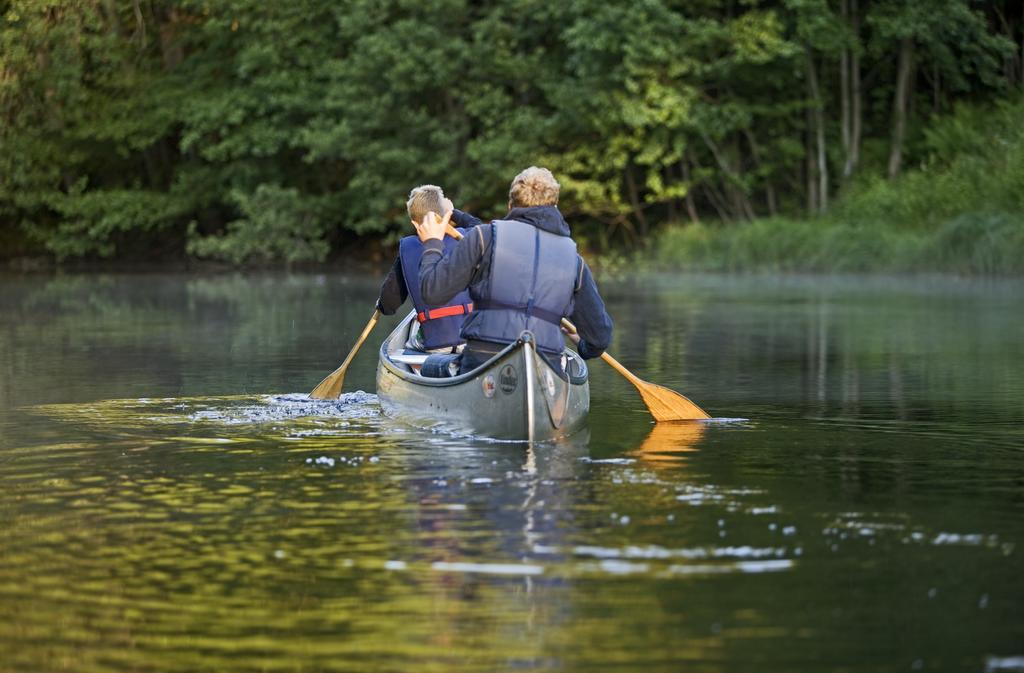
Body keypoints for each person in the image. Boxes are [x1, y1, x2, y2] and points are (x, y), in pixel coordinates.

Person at [415, 166, 613, 374]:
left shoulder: (483, 238)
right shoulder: (574, 260)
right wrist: (584, 346)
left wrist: (432, 243)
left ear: (510, 205)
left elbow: (432, 293)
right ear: (555, 206)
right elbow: (600, 339)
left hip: (484, 358)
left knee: (429, 367)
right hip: (545, 363)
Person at [375, 185, 474, 355]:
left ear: (414, 223)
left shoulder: (407, 249)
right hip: (472, 339)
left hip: (436, 344)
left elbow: (390, 304)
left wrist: (381, 306)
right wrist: (454, 212)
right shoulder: (468, 236)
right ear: (445, 216)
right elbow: (476, 224)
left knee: (409, 345)